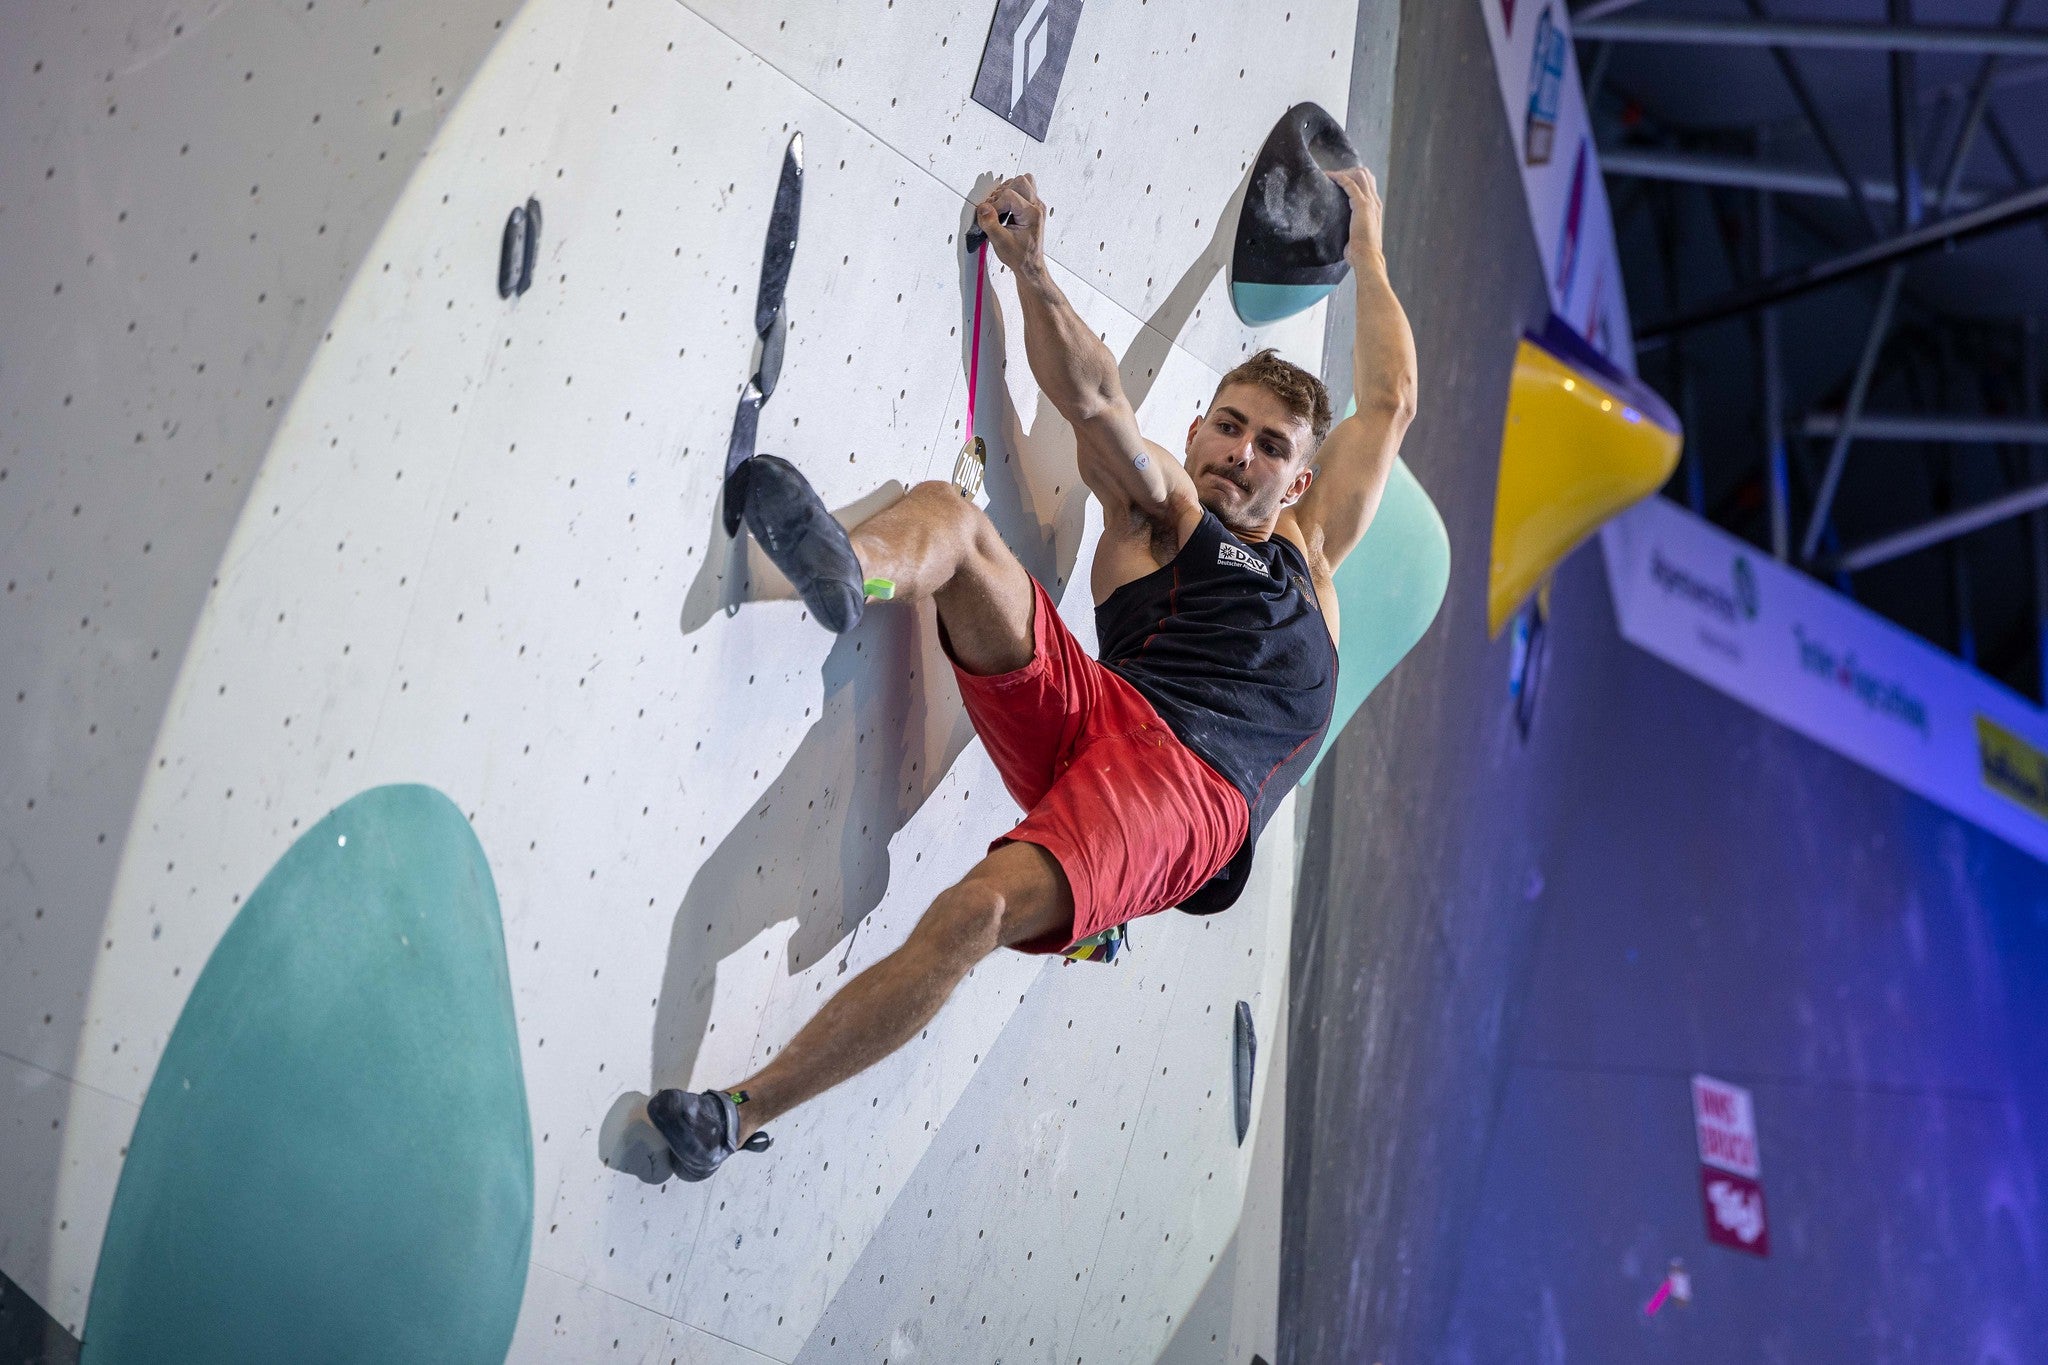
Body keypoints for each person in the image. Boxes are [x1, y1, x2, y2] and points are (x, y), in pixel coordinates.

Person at [646, 166, 1418, 1181]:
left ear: (1300, 479)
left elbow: (1390, 401)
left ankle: (734, 1114)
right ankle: (847, 568)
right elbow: (1091, 399)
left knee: (977, 911)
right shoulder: (1165, 507)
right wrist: (1029, 269)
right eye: (1227, 425)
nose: (1239, 452)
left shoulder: (1311, 561)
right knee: (953, 520)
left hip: (1184, 793)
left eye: (1269, 445)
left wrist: (1366, 246)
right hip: (1093, 711)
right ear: (1195, 430)